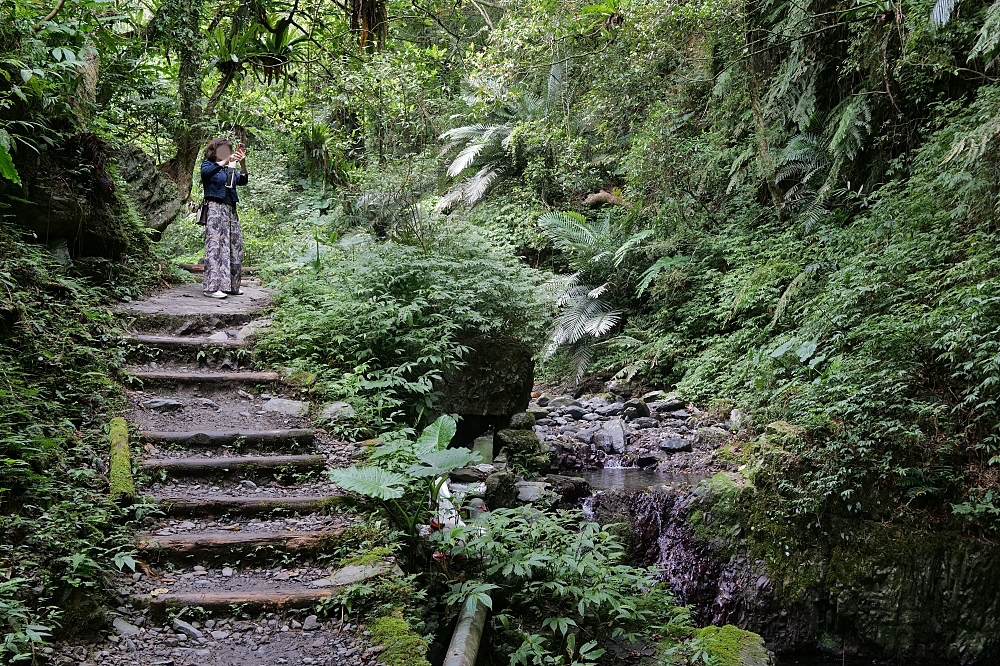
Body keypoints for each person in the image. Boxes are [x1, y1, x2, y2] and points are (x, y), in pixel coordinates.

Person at [200, 138, 248, 298]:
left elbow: (243, 180)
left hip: (230, 210)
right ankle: (212, 288)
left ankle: (232, 286)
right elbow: (206, 173)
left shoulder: (229, 169)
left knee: (235, 244)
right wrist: (226, 161)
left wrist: (242, 163)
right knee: (215, 246)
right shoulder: (208, 165)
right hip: (214, 207)